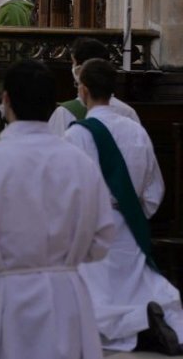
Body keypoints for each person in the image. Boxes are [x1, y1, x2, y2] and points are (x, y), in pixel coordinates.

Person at [0, 59, 115, 359]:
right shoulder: (80, 164)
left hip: (11, 298)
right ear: (52, 104)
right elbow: (101, 242)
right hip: (66, 296)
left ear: (6, 101)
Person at [65, 58, 183, 354]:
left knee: (90, 297)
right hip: (128, 226)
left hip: (91, 230)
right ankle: (148, 321)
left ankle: (129, 327)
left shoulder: (75, 135)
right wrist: (133, 214)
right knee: (142, 283)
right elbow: (155, 189)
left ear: (83, 90)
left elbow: (66, 194)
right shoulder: (136, 131)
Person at [48, 37, 140, 136]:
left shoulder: (64, 113)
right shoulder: (128, 112)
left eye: (73, 63)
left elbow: (53, 147)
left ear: (80, 70)